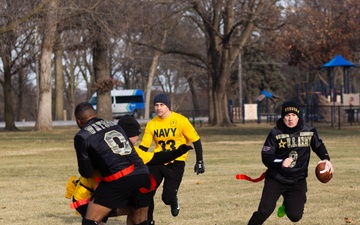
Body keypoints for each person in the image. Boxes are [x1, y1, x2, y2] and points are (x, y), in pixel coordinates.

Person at [67, 114, 192, 225]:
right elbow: (156, 158)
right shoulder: (131, 153)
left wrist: (178, 152)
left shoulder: (109, 149)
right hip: (87, 196)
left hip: (112, 188)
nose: (137, 138)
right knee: (135, 213)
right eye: (135, 135)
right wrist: (177, 152)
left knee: (130, 214)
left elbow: (156, 157)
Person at [247, 101, 334, 225]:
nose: (290, 118)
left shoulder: (309, 130)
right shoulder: (275, 132)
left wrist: (326, 159)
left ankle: (287, 203)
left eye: (293, 115)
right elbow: (266, 156)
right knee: (264, 211)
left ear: (298, 116)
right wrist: (280, 162)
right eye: (287, 115)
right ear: (283, 117)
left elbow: (318, 146)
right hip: (276, 178)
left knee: (295, 216)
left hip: (297, 180)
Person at [73, 102, 151, 225]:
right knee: (140, 222)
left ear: (78, 121)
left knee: (90, 222)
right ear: (95, 114)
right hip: (143, 174)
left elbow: (86, 172)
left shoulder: (82, 136)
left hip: (119, 178)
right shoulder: (115, 125)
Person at [139, 93, 205, 224]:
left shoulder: (180, 120)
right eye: (156, 105)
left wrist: (200, 161)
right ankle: (149, 221)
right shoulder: (152, 124)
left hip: (176, 163)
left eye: (161, 105)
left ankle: (173, 200)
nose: (158, 108)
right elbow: (143, 147)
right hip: (157, 161)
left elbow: (196, 140)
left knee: (166, 198)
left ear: (168, 106)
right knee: (147, 192)